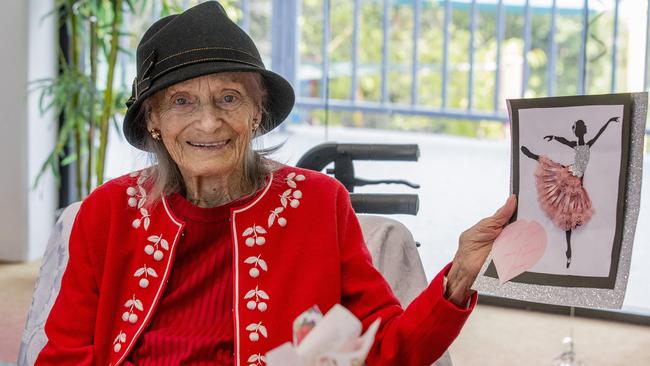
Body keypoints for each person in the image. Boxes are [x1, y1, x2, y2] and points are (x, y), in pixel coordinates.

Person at [35, 2, 516, 365]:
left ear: (257, 112)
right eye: (181, 101)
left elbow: (389, 348)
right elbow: (65, 355)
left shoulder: (318, 203)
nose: (208, 123)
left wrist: (458, 278)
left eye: (229, 97)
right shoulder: (108, 211)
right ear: (154, 119)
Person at [520, 117, 619, 268]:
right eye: (581, 127)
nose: (583, 129)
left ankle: (568, 251)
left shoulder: (586, 144)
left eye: (583, 127)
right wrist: (554, 137)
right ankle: (533, 156)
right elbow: (564, 140)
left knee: (568, 214)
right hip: (571, 176)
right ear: (579, 130)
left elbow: (598, 132)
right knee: (552, 169)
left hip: (576, 180)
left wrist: (609, 121)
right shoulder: (580, 144)